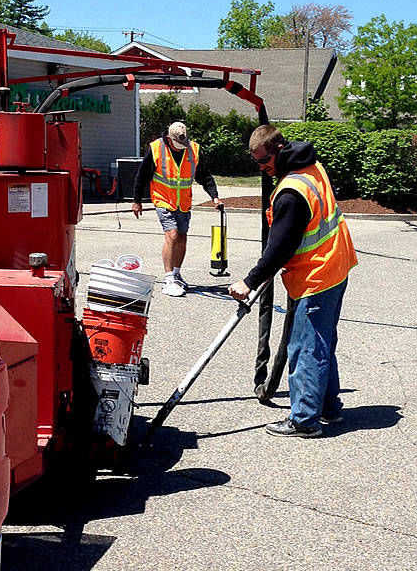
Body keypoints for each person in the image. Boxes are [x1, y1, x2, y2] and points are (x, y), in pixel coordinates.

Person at [229, 125, 357, 438]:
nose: (262, 169)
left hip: (318, 273)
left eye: (264, 161)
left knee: (305, 347)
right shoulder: (310, 166)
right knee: (321, 340)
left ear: (279, 149)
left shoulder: (291, 192)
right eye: (257, 163)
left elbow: (280, 248)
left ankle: (304, 420)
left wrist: (249, 281)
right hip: (336, 265)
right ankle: (327, 406)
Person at [132, 121, 222, 297]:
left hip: (184, 202)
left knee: (182, 237)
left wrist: (215, 197)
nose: (181, 147)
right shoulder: (156, 148)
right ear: (169, 138)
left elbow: (205, 176)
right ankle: (168, 279)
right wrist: (137, 201)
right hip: (163, 199)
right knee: (172, 235)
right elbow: (142, 176)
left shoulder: (193, 150)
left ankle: (176, 274)